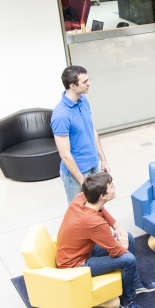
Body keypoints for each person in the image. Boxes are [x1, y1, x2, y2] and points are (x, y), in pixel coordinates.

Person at [56, 172, 155, 308]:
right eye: (111, 186)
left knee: (128, 237)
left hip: (80, 251)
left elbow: (101, 209)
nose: (115, 186)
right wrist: (122, 245)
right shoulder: (95, 223)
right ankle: (127, 303)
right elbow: (117, 252)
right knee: (128, 259)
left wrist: (116, 226)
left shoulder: (82, 198)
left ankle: (134, 283)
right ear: (102, 196)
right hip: (75, 264)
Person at [51, 65, 110, 204]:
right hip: (76, 174)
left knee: (96, 207)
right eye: (85, 82)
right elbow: (65, 154)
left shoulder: (83, 100)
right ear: (72, 85)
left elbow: (91, 130)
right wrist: (83, 182)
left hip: (93, 166)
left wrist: (103, 160)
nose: (89, 83)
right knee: (79, 213)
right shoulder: (61, 115)